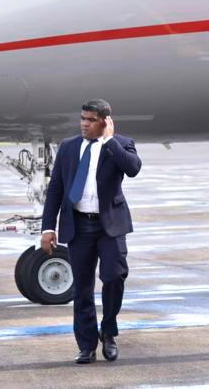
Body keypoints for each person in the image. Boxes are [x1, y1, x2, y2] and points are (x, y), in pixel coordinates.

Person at [41, 99, 142, 364]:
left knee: (114, 277)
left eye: (91, 120)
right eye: (82, 119)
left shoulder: (121, 144)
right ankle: (86, 345)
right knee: (82, 288)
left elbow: (133, 168)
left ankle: (108, 331)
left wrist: (110, 141)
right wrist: (48, 227)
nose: (84, 124)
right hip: (79, 225)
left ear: (105, 122)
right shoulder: (68, 147)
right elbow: (56, 189)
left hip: (110, 226)